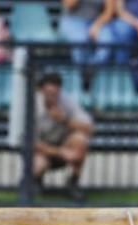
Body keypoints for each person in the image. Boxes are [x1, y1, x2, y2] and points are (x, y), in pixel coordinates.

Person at [33, 73, 94, 202]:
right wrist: (61, 153)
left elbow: (90, 129)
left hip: (63, 144)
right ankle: (34, 182)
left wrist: (65, 120)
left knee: (81, 140)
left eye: (55, 93)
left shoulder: (67, 102)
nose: (52, 97)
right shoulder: (33, 106)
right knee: (38, 165)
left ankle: (73, 182)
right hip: (43, 152)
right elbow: (32, 143)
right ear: (41, 91)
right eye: (49, 93)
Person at [58, 0, 116, 65]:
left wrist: (97, 25)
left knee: (106, 40)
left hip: (97, 20)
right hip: (73, 20)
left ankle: (93, 68)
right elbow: (69, 5)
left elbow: (109, 11)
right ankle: (81, 70)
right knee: (80, 41)